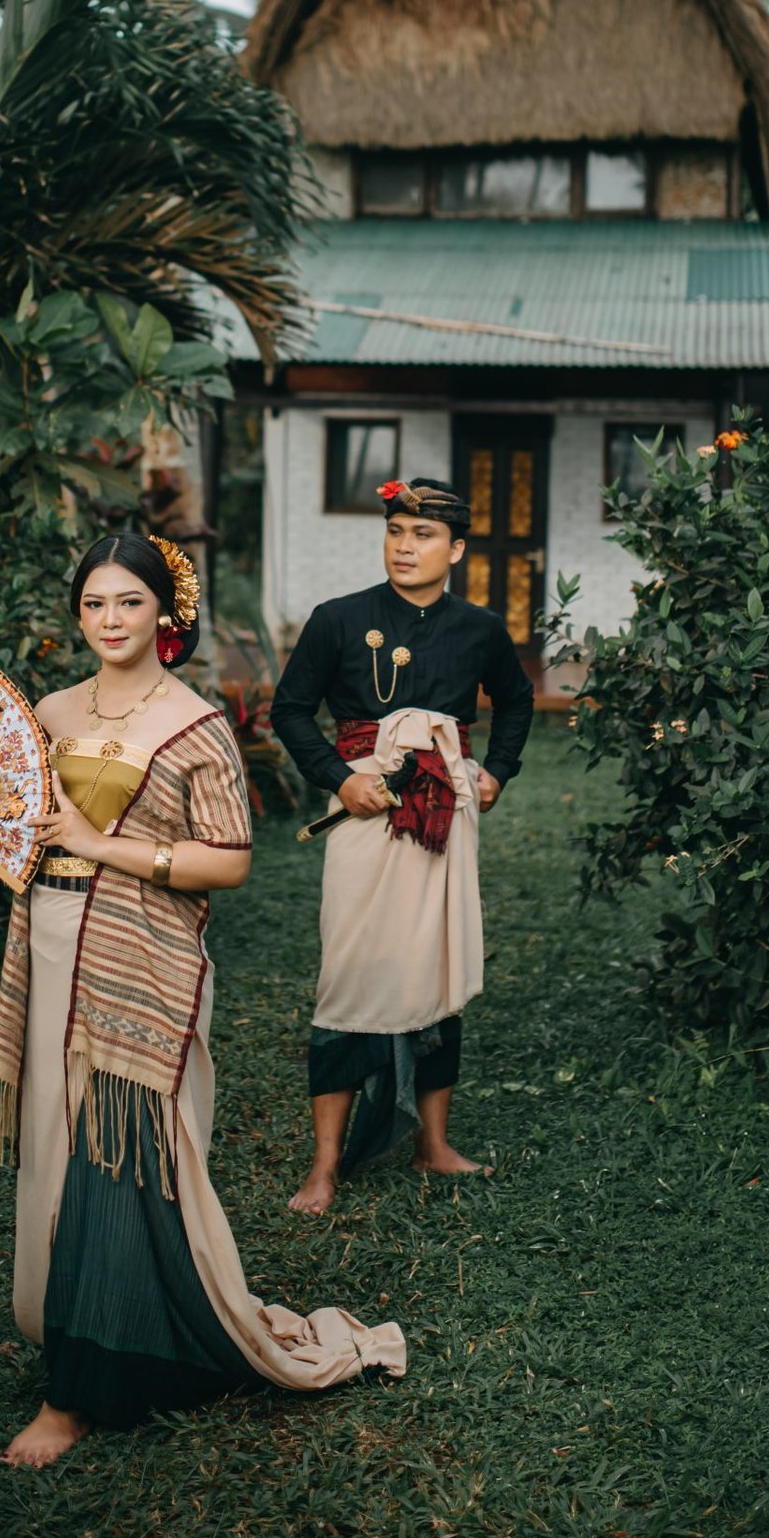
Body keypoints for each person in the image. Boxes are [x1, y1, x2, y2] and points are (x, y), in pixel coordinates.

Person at [0, 530, 404, 1470]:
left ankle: (72, 1398)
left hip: (140, 958)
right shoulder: (49, 710)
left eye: (129, 601)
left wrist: (104, 843)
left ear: (165, 610)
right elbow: (20, 829)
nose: (110, 619)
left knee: (109, 1150)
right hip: (49, 943)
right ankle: (118, 1328)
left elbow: (229, 861)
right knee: (59, 1144)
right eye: (94, 602)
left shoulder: (193, 723)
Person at [270, 477, 534, 1215]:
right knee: (349, 970)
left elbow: (516, 701)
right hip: (364, 805)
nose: (405, 547)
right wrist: (339, 778)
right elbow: (290, 710)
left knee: (434, 962)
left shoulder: (481, 629)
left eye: (423, 535)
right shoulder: (338, 619)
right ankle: (325, 1164)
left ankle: (432, 1143)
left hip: (444, 810)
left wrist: (497, 770)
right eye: (395, 532)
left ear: (456, 549)